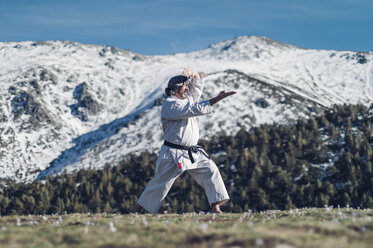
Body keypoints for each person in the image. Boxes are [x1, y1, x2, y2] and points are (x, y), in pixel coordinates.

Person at [133, 68, 236, 214]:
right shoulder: (170, 104)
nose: (187, 88)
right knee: (160, 185)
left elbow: (196, 89)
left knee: (210, 170)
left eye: (188, 86)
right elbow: (193, 108)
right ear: (175, 89)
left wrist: (196, 75)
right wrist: (217, 99)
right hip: (173, 154)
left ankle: (215, 207)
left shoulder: (186, 100)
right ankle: (136, 211)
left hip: (193, 152)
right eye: (184, 86)